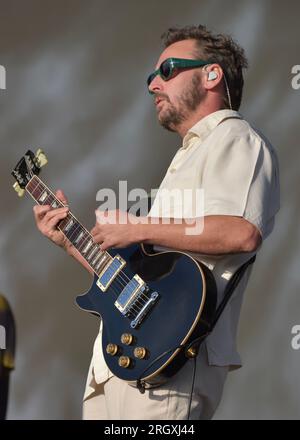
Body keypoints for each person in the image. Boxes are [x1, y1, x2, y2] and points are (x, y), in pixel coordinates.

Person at [33, 24, 280, 420]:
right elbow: (133, 285)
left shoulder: (235, 137)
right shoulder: (187, 156)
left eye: (166, 72)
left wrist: (137, 228)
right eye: (151, 77)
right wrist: (68, 241)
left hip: (172, 364)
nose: (152, 85)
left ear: (211, 74)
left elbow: (242, 232)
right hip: (122, 362)